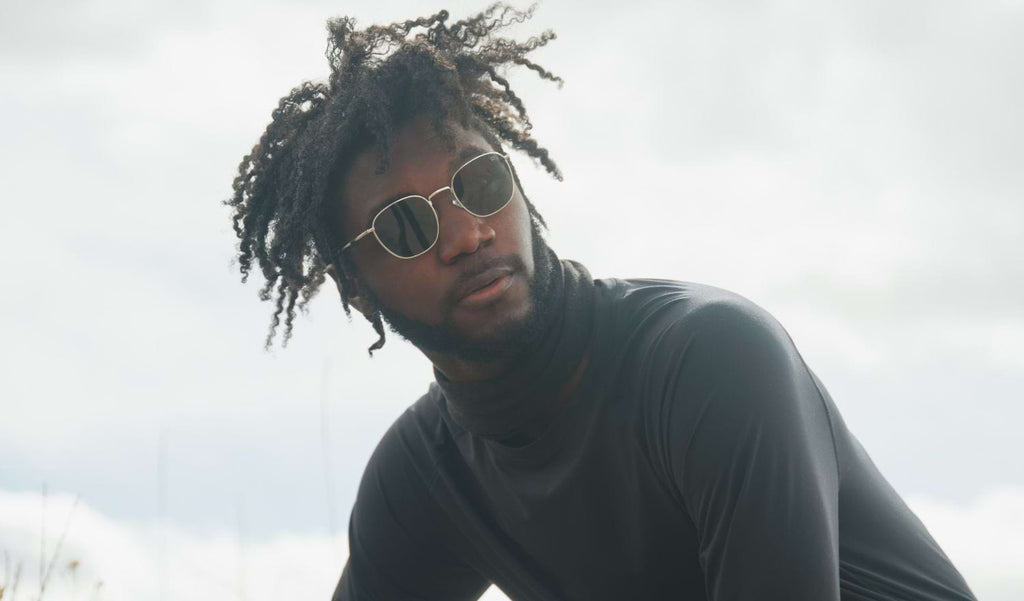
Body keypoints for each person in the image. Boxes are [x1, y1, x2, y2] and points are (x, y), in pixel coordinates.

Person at [226, 5, 977, 600]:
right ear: (355, 286)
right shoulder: (424, 479)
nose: (466, 233)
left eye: (479, 183)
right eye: (406, 225)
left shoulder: (711, 360)